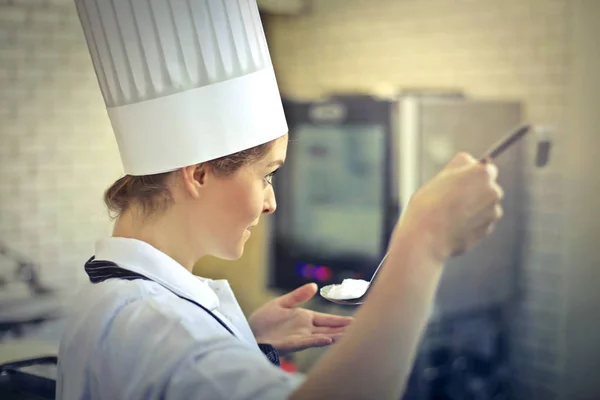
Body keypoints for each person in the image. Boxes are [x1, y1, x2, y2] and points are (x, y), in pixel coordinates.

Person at [57, 0, 504, 399]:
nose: (271, 203)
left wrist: (244, 342)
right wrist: (425, 241)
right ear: (197, 175)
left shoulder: (115, 296)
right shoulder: (155, 325)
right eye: (267, 175)